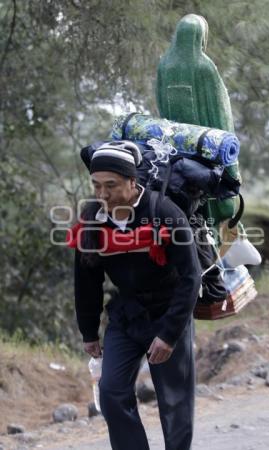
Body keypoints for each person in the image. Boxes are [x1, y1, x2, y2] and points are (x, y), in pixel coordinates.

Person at [70, 140, 202, 450]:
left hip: (168, 313)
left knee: (174, 400)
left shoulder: (164, 212)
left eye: (111, 185)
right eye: (96, 185)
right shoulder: (92, 218)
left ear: (133, 182)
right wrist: (89, 331)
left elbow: (190, 277)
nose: (102, 194)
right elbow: (85, 279)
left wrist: (169, 335)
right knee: (112, 391)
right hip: (126, 315)